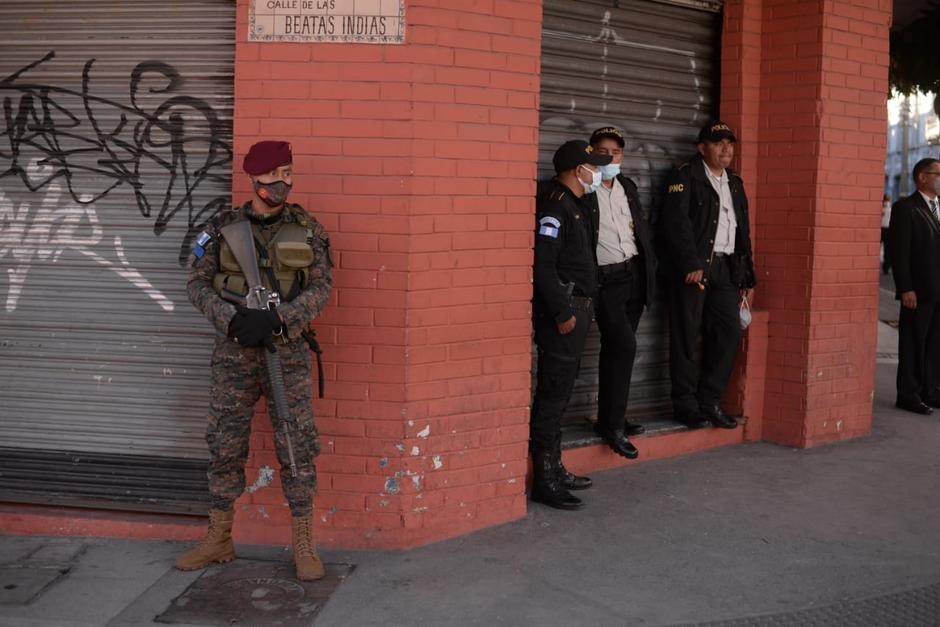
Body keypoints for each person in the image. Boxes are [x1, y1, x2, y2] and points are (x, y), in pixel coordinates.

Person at [176, 140, 333, 580]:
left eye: (288, 172)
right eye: (273, 174)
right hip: (235, 353)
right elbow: (196, 283)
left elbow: (322, 289)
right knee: (225, 445)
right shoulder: (223, 227)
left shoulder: (308, 230)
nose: (282, 182)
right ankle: (219, 539)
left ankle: (304, 543)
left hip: (287, 353)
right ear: (254, 177)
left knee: (296, 446)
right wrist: (231, 319)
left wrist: (279, 317)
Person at [658, 121, 756, 430]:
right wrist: (690, 262)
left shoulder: (735, 183)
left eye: (730, 143)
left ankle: (709, 400)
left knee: (728, 334)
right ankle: (685, 405)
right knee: (686, 336)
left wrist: (746, 278)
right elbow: (675, 223)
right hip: (694, 269)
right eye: (718, 143)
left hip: (725, 270)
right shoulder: (686, 175)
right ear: (702, 148)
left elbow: (743, 231)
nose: (726, 148)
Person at [531, 139, 612, 510]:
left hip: (578, 309)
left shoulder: (575, 205)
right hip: (563, 314)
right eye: (592, 165)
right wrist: (562, 313)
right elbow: (544, 267)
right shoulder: (555, 207)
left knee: (561, 393)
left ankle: (556, 467)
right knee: (552, 395)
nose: (597, 172)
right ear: (576, 170)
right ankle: (545, 480)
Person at [580, 126, 656, 458]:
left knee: (617, 350)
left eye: (616, 152)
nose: (609, 157)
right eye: (602, 151)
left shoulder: (627, 185)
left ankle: (613, 417)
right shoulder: (583, 189)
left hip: (633, 275)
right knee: (624, 347)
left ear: (622, 155)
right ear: (591, 153)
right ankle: (612, 427)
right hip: (605, 281)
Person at [888, 158, 940, 415]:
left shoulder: (938, 207)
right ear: (922, 177)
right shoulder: (905, 208)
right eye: (938, 173)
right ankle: (908, 394)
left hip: (938, 291)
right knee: (912, 342)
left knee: (934, 344)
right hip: (917, 291)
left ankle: (930, 391)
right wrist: (905, 287)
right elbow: (900, 253)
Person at [881, 193, 893, 274]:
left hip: (880, 229)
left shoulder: (881, 209)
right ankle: (886, 268)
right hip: (889, 230)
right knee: (887, 250)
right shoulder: (891, 209)